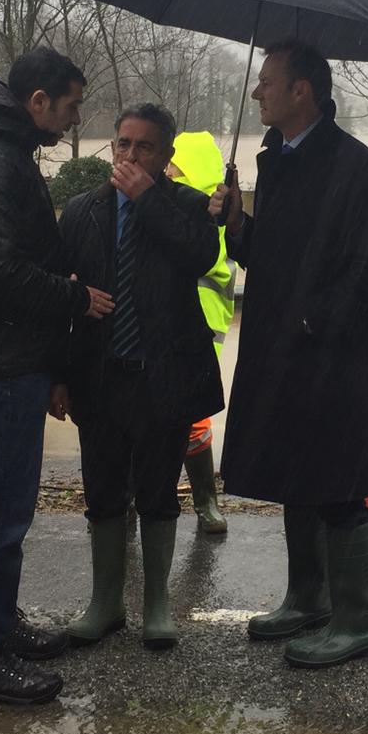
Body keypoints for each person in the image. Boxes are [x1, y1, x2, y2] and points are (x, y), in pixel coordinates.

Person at [208, 40, 368, 669]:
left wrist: (316, 321)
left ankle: (358, 621)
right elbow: (272, 255)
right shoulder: (277, 161)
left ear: (302, 92)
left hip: (330, 358)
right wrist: (238, 225)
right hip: (279, 349)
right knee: (298, 476)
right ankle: (308, 598)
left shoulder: (356, 167)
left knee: (341, 485)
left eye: (269, 82)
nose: (258, 91)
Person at [0, 48, 110, 704]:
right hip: (0, 363)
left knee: (8, 505)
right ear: (37, 102)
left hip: (13, 359)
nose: (71, 121)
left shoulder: (2, 153)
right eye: (68, 108)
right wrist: (75, 297)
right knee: (2, 512)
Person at [60, 104, 224, 650]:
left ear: (166, 157)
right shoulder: (82, 211)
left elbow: (199, 255)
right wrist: (57, 375)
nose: (129, 156)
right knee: (103, 493)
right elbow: (63, 296)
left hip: (166, 379)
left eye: (144, 147)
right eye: (122, 144)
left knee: (158, 493)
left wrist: (147, 198)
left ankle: (157, 604)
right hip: (99, 378)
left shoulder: (188, 207)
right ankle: (104, 603)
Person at [166, 130, 234, 534]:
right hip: (167, 320)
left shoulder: (208, 209)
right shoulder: (167, 199)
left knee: (192, 415)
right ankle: (143, 498)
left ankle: (205, 499)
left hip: (198, 322)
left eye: (173, 162)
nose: (166, 168)